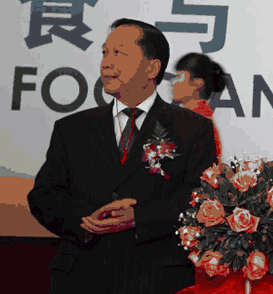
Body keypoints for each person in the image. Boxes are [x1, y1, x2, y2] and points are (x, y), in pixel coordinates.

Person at [28, 19, 218, 294]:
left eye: (119, 53)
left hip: (155, 277)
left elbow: (200, 199)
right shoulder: (72, 128)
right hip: (81, 276)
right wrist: (85, 220)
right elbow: (44, 195)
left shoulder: (192, 128)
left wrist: (140, 217)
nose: (106, 63)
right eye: (105, 53)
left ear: (152, 68)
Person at [171, 53, 227, 162]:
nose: (172, 83)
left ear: (197, 83)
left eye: (178, 77)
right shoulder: (195, 118)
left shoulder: (195, 122)